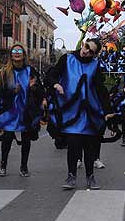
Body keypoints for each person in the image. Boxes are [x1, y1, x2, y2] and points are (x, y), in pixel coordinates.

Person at [46, 38, 113, 190]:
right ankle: (71, 176)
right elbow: (51, 75)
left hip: (89, 112)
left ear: (94, 54)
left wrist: (108, 110)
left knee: (89, 145)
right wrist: (56, 84)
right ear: (84, 43)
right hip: (70, 111)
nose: (87, 51)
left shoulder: (95, 65)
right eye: (87, 47)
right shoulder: (67, 59)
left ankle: (90, 177)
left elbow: (100, 89)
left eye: (91, 51)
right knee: (73, 144)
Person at [0, 44, 45, 177]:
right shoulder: (4, 72)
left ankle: (24, 166)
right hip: (10, 111)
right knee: (7, 138)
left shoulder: (31, 71)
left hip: (26, 111)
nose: (17, 53)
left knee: (26, 139)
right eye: (14, 51)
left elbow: (40, 91)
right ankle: (3, 164)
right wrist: (12, 91)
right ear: (11, 55)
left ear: (23, 55)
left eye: (19, 51)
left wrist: (33, 87)